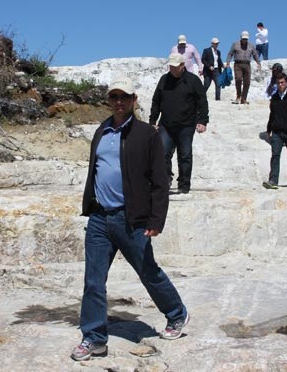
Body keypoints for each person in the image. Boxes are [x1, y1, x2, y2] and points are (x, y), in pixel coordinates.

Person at [72, 77, 189, 361]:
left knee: (148, 271)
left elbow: (160, 180)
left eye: (124, 97)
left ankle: (176, 313)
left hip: (131, 218)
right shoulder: (102, 130)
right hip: (100, 217)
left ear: (134, 100)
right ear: (109, 100)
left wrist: (156, 220)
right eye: (114, 97)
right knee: (93, 281)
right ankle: (94, 338)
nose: (119, 103)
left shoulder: (147, 134)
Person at [149, 53, 209, 194]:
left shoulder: (193, 80)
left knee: (185, 155)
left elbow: (202, 102)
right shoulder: (164, 80)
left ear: (183, 66)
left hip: (186, 125)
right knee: (162, 153)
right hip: (166, 125)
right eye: (171, 66)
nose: (173, 69)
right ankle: (165, 179)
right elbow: (156, 101)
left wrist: (202, 121)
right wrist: (152, 121)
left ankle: (184, 185)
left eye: (175, 66)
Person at [226, 31, 261, 105]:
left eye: (246, 39)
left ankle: (244, 98)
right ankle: (238, 96)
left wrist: (258, 62)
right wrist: (228, 62)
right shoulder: (235, 44)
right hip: (238, 64)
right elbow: (230, 54)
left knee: (247, 82)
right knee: (238, 79)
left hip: (247, 65)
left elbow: (255, 54)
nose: (245, 40)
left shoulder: (251, 46)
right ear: (241, 38)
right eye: (243, 39)